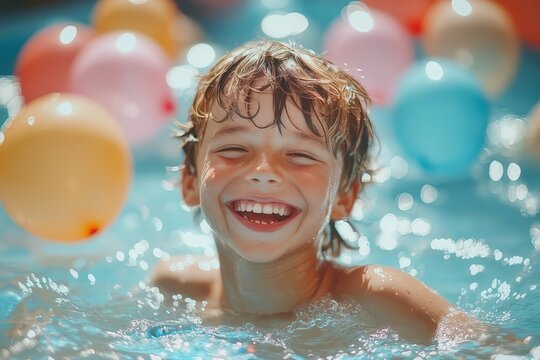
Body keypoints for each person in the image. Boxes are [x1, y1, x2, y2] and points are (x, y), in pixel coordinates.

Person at [151, 40, 480, 344]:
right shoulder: (173, 289)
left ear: (344, 197)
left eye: (300, 156)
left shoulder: (379, 300)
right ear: (190, 182)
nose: (264, 172)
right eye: (235, 148)